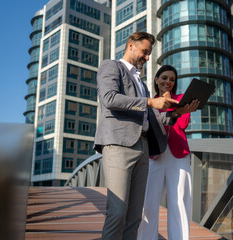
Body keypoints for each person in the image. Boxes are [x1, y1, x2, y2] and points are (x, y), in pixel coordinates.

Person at [93, 32, 187, 240]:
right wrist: (150, 102)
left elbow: (153, 119)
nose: (147, 58)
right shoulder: (111, 66)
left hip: (143, 147)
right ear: (131, 46)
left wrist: (178, 112)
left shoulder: (141, 84)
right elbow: (109, 99)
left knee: (135, 216)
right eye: (145, 52)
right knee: (117, 212)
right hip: (119, 145)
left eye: (149, 54)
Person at [137, 65, 199, 240]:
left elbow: (182, 124)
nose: (168, 82)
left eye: (172, 79)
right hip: (154, 155)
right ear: (156, 80)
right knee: (147, 204)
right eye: (164, 78)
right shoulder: (150, 102)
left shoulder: (181, 100)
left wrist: (178, 108)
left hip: (178, 154)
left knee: (179, 202)